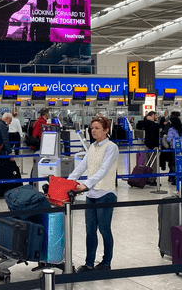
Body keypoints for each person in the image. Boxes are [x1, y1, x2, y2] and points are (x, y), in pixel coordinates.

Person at [68, 116, 119, 272]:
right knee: (90, 231)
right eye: (92, 128)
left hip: (106, 193)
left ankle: (106, 262)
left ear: (106, 130)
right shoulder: (92, 147)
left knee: (104, 230)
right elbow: (82, 166)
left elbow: (103, 170)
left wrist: (86, 184)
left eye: (97, 128)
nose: (93, 131)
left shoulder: (111, 147)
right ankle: (89, 263)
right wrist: (69, 181)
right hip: (91, 195)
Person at [165, 112, 182, 185]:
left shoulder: (171, 129)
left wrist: (165, 138)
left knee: (172, 163)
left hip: (173, 148)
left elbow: (169, 139)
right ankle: (173, 177)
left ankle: (173, 177)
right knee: (178, 163)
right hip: (180, 148)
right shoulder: (180, 129)